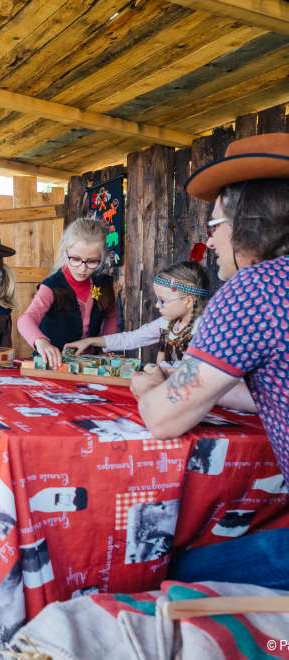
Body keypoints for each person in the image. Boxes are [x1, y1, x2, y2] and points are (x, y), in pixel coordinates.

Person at [129, 133, 289, 588]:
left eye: (215, 222)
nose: (210, 237)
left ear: (249, 222)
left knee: (158, 571)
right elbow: (275, 392)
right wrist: (190, 379)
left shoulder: (255, 288)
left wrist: (151, 391)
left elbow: (162, 421)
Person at [64, 261, 210, 366]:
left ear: (188, 301)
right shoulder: (166, 323)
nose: (156, 305)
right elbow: (132, 338)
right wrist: (88, 341)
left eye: (163, 300)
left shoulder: (204, 331)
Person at [17, 218, 118, 367]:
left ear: (101, 257)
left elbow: (110, 315)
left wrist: (106, 346)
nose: (82, 269)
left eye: (92, 261)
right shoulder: (52, 287)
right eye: (76, 259)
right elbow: (26, 319)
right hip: (54, 363)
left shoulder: (103, 284)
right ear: (65, 252)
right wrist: (41, 342)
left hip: (90, 363)